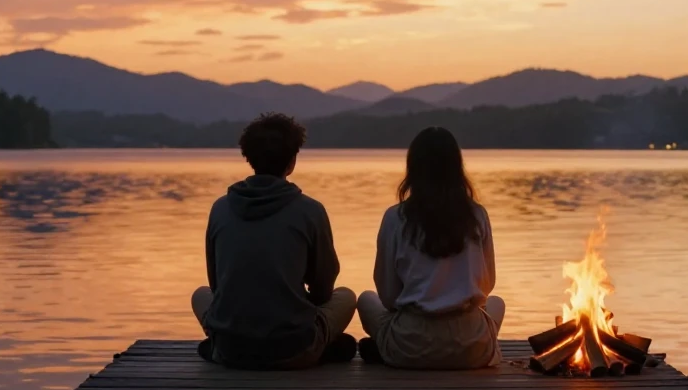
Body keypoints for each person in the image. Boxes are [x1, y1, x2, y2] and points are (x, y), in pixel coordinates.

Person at [191, 112, 357, 368]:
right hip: (293, 347)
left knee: (200, 295)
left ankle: (220, 345)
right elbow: (324, 286)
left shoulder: (220, 208)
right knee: (346, 296)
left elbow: (216, 286)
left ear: (249, 158)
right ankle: (320, 346)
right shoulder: (310, 210)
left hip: (231, 348)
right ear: (291, 162)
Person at [358, 126, 505, 369]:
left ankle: (386, 347)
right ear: (457, 169)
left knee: (365, 299)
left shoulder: (395, 218)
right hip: (471, 347)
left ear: (413, 169)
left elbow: (388, 296)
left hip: (411, 345)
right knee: (496, 303)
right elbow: (487, 285)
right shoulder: (477, 215)